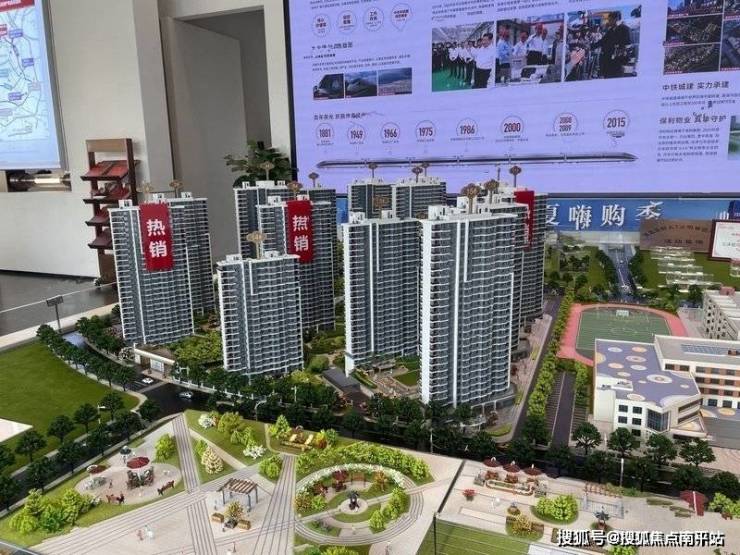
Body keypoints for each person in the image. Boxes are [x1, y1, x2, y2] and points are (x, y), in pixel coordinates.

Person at [592, 11, 631, 78]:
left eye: (610, 20)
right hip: (609, 60)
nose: (608, 21)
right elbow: (602, 41)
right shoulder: (611, 30)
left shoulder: (625, 29)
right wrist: (591, 46)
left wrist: (622, 56)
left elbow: (627, 44)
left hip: (618, 60)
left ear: (615, 19)